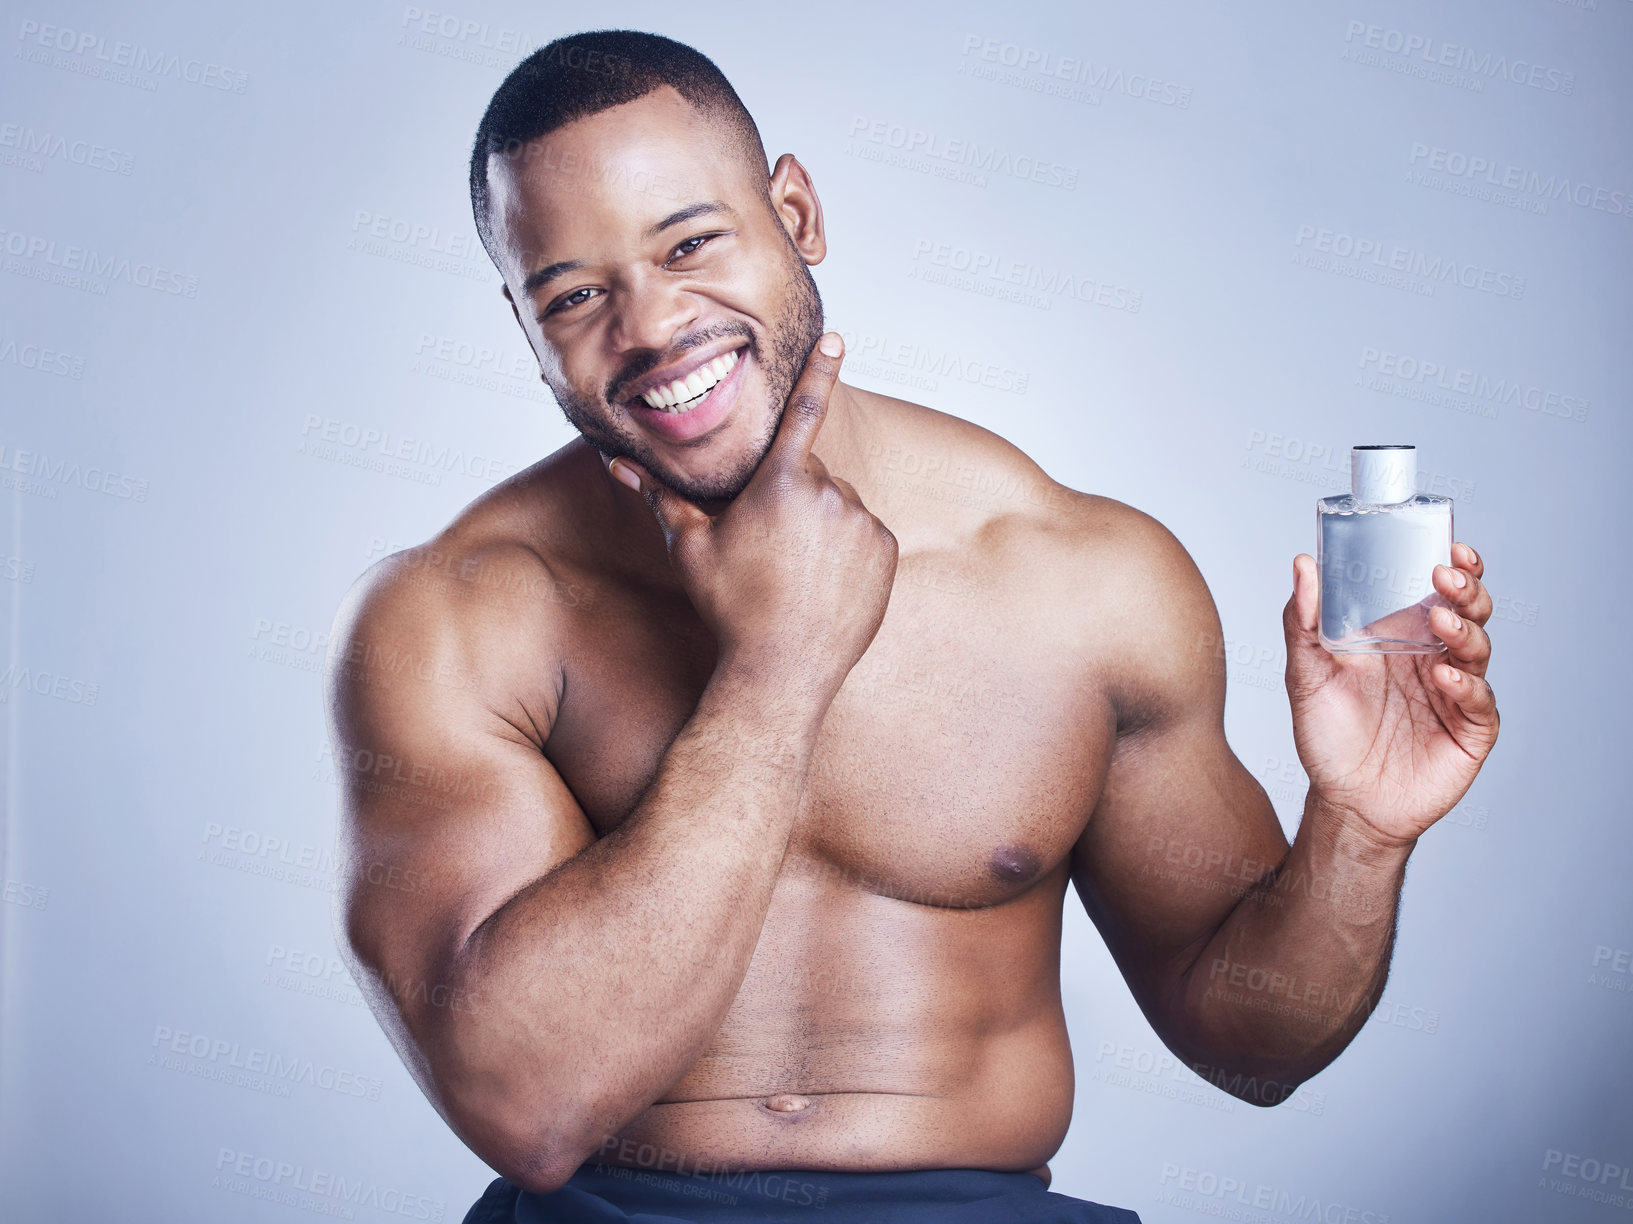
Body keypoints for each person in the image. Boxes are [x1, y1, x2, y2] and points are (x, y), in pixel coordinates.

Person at [323, 30, 1499, 1224]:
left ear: (795, 212)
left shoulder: (1080, 576)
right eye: (574, 295)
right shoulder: (453, 616)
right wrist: (777, 665)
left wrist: (1357, 828)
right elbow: (527, 1107)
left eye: (691, 243)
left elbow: (1252, 1046)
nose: (652, 326)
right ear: (525, 329)